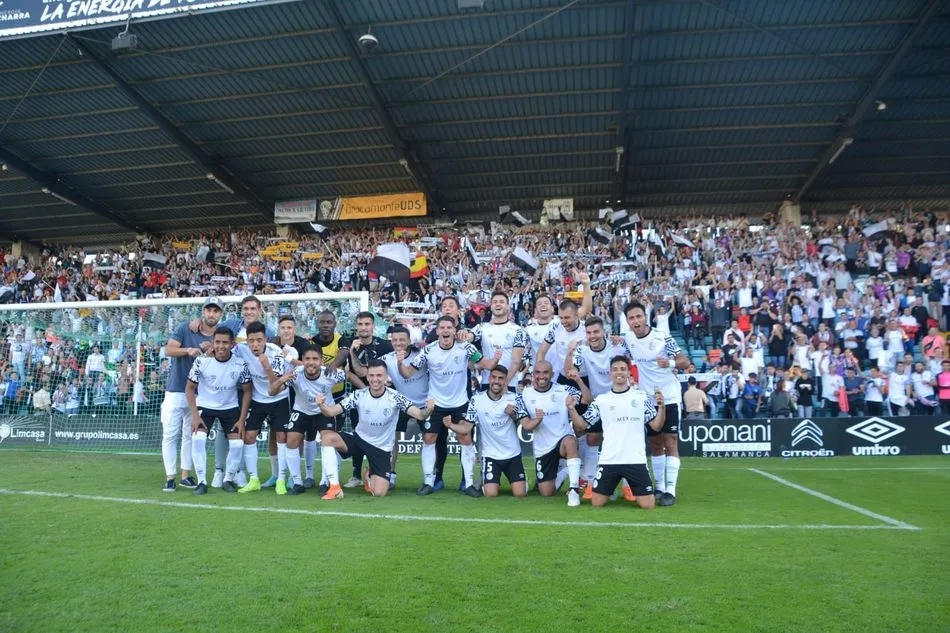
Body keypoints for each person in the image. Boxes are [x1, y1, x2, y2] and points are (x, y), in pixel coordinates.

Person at [401, 315, 501, 496]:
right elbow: (408, 373)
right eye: (442, 328)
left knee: (465, 439)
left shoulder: (466, 347)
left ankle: (469, 483)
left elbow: (485, 364)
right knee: (429, 439)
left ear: (455, 330)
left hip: (460, 403)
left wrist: (495, 359)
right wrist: (401, 362)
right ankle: (428, 482)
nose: (446, 331)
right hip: (435, 404)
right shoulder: (428, 350)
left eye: (449, 327)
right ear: (437, 331)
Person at [315, 360, 434, 497]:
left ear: (385, 377)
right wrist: (322, 405)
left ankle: (368, 475)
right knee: (327, 438)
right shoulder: (358, 395)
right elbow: (331, 412)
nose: (375, 379)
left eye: (379, 375)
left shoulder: (395, 397)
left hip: (381, 449)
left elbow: (419, 414)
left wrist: (428, 409)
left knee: (379, 493)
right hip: (359, 440)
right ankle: (335, 487)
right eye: (371, 375)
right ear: (367, 377)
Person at [569, 355, 664, 509]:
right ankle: (610, 489)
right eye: (615, 369)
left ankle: (617, 489)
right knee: (597, 504)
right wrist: (571, 408)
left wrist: (662, 407)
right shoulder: (601, 400)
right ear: (610, 373)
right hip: (609, 461)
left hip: (635, 460)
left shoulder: (642, 398)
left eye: (622, 369)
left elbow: (656, 426)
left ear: (628, 373)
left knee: (648, 506)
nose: (619, 372)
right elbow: (581, 425)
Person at [621, 301, 689, 507]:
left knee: (670, 441)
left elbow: (684, 361)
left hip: (668, 396)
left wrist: (669, 363)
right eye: (631, 318)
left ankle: (670, 490)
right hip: (647, 400)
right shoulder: (628, 339)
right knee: (655, 443)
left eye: (639, 317)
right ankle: (659, 487)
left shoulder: (662, 337)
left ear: (646, 317)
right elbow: (624, 355)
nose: (636, 322)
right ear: (627, 321)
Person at [160, 296, 222, 492]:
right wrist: (188, 350)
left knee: (190, 435)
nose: (211, 314)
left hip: (199, 394)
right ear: (203, 312)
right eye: (208, 310)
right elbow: (168, 350)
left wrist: (211, 350)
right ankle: (170, 477)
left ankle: (185, 475)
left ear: (220, 314)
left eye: (215, 311)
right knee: (170, 434)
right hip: (176, 390)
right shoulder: (185, 328)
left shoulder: (219, 336)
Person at [268, 344, 347, 498]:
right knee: (291, 440)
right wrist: (282, 379)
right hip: (301, 410)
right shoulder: (295, 374)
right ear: (302, 360)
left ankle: (325, 482)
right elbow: (271, 392)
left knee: (327, 441)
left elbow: (349, 376)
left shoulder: (331, 373)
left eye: (315, 359)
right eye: (307, 359)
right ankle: (298, 483)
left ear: (321, 361)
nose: (311, 362)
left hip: (324, 410)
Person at [185, 327, 252, 496]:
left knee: (237, 443)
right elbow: (189, 389)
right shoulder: (202, 361)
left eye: (225, 342)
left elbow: (247, 391)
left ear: (232, 344)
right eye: (217, 342)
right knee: (198, 439)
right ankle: (201, 482)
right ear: (213, 343)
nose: (221, 346)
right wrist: (194, 415)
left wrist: (242, 419)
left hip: (229, 407)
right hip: (205, 406)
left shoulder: (240, 364)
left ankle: (228, 479)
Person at [569, 316, 630, 498]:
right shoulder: (582, 350)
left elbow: (634, 359)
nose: (592, 336)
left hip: (620, 401)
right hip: (598, 403)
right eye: (588, 333)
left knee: (622, 440)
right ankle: (589, 482)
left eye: (596, 332)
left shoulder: (618, 347)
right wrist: (573, 368)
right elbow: (574, 368)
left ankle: (629, 485)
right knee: (592, 439)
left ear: (604, 331)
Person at [513, 360, 586, 507]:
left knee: (570, 441)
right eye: (538, 372)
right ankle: (566, 470)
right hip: (543, 448)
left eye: (546, 372)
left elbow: (587, 399)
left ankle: (573, 490)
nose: (541, 376)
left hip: (562, 440)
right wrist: (537, 420)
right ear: (533, 375)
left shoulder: (564, 389)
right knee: (546, 492)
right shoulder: (524, 395)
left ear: (552, 374)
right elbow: (526, 425)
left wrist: (579, 381)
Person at [233, 321, 289, 494]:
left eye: (259, 340)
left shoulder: (276, 353)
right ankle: (254, 479)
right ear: (247, 341)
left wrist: (267, 367)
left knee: (281, 437)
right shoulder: (241, 349)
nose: (255, 345)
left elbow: (275, 387)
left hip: (279, 398)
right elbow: (224, 350)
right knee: (249, 437)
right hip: (258, 399)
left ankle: (281, 479)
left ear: (265, 339)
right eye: (251, 340)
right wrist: (208, 350)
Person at [259, 314, 311, 489]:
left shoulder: (303, 344)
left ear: (294, 329)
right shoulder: (272, 343)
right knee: (275, 434)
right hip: (277, 393)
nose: (286, 331)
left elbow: (309, 365)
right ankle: (276, 474)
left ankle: (294, 475)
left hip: (298, 394)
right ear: (279, 329)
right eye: (283, 327)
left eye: (289, 327)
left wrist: (288, 358)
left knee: (295, 435)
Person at [342, 311, 394, 488]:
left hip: (382, 399)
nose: (363, 328)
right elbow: (349, 372)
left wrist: (374, 393)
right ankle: (356, 474)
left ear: (373, 326)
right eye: (360, 324)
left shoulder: (385, 346)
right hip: (359, 398)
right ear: (356, 326)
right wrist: (366, 392)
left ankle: (380, 473)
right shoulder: (348, 344)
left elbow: (373, 372)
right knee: (359, 435)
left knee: (382, 436)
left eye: (367, 324)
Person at [374, 325, 428, 488]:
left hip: (425, 403)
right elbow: (368, 370)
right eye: (395, 340)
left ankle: (429, 478)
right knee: (392, 439)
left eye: (402, 340)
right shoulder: (386, 359)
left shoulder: (421, 355)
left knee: (430, 440)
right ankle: (390, 475)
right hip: (402, 404)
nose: (398, 343)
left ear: (409, 341)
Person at [465, 365, 526, 498]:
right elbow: (466, 427)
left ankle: (523, 481)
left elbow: (524, 423)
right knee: (491, 494)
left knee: (520, 494)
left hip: (512, 454)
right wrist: (450, 424)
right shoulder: (477, 399)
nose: (496, 381)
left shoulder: (514, 398)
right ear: (489, 378)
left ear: (505, 381)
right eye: (494, 377)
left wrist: (513, 415)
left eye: (500, 378)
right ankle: (485, 479)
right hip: (490, 455)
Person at [311, 310, 349, 491]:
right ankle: (311, 476)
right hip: (313, 399)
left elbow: (343, 353)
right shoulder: (310, 342)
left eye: (329, 322)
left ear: (334, 324)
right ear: (317, 324)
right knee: (311, 439)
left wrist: (332, 365)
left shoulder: (341, 339)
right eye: (322, 322)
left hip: (336, 398)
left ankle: (327, 479)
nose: (325, 325)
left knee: (332, 439)